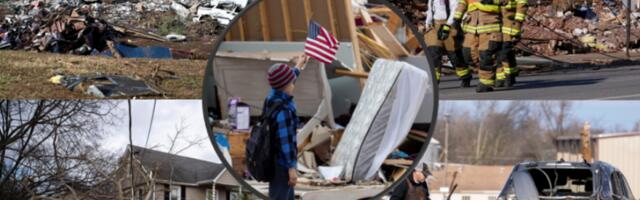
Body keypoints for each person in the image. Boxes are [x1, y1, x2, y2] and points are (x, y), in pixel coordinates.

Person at [266, 54, 308, 200]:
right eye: (291, 83)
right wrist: (291, 168)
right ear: (285, 86)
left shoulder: (272, 97)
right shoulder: (283, 110)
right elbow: (286, 143)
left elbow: (287, 79)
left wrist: (298, 66)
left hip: (275, 161)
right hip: (282, 166)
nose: (293, 85)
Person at [454, 0, 504, 92]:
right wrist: (457, 19)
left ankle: (486, 82)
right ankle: (494, 71)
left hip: (490, 24)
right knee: (467, 53)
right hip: (471, 25)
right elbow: (463, 2)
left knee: (486, 54)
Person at [425, 0, 472, 87]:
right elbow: (430, 10)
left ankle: (465, 76)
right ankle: (434, 80)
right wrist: (427, 23)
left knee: (454, 55)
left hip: (450, 25)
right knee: (433, 52)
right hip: (435, 26)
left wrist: (448, 25)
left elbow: (454, 11)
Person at [497, 0, 528, 88]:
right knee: (498, 53)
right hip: (495, 26)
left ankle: (508, 76)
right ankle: (501, 76)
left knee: (504, 53)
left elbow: (522, 4)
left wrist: (517, 23)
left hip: (510, 26)